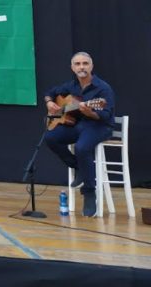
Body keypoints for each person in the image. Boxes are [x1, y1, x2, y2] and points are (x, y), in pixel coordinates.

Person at [43, 52, 115, 217]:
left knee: (82, 147)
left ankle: (89, 192)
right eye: (77, 64)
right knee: (51, 137)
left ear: (91, 66)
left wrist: (89, 112)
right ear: (72, 67)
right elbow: (50, 92)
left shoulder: (103, 88)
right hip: (77, 124)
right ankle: (78, 167)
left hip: (99, 126)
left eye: (85, 63)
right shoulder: (71, 86)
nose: (81, 67)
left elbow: (105, 115)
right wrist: (49, 102)